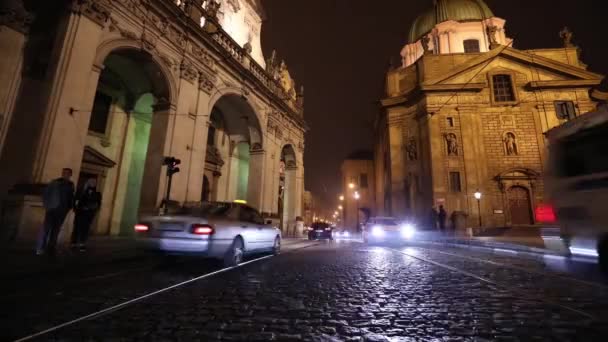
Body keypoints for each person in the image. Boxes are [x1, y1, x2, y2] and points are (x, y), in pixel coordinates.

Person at [36, 168, 75, 256]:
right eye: (64, 173)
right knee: (46, 228)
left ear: (70, 175)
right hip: (52, 209)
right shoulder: (55, 182)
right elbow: (46, 193)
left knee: (56, 229)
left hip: (62, 210)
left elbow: (71, 196)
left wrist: (69, 207)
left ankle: (51, 247)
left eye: (67, 173)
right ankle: (41, 247)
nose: (65, 175)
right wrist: (47, 206)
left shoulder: (71, 184)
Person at [71, 178, 102, 252]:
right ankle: (74, 243)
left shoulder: (97, 193)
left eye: (94, 182)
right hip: (80, 213)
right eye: (91, 182)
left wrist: (92, 208)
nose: (93, 183)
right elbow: (76, 200)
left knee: (85, 229)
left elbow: (98, 204)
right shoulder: (81, 191)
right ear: (88, 182)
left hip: (89, 215)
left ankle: (82, 243)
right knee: (77, 228)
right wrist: (77, 209)